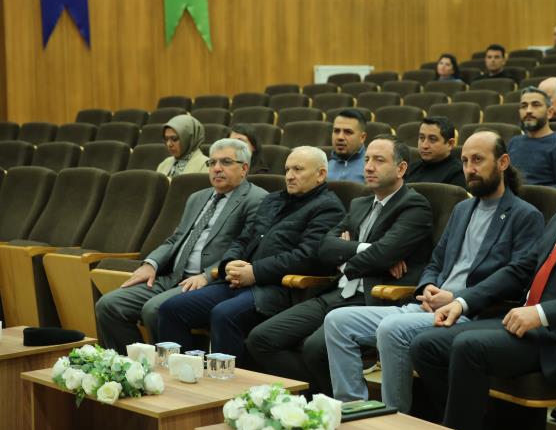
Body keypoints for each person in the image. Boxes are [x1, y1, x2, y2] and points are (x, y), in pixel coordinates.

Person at [409, 128, 556, 430]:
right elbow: (520, 269)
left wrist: (541, 313)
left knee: (469, 346)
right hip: (521, 323)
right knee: (425, 344)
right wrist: (462, 302)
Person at [323, 130, 544, 413]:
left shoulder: (525, 215)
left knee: (391, 329)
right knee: (338, 321)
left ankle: (394, 418)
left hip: (471, 313)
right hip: (429, 306)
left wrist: (458, 298)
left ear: (502, 162)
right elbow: (436, 261)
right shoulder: (463, 209)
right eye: (465, 161)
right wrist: (427, 286)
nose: (469, 169)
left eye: (478, 160)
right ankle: (354, 409)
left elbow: (515, 275)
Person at [245, 135, 435, 395]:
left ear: (401, 168)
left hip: (372, 299)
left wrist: (348, 258)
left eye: (379, 161)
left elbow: (383, 254)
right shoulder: (359, 203)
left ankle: (340, 406)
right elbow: (325, 247)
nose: (369, 167)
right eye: (367, 160)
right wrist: (365, 249)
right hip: (336, 293)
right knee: (261, 339)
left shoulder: (414, 205)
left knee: (315, 348)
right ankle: (317, 399)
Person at [156, 146, 345, 360]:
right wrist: (229, 263)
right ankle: (180, 372)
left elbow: (306, 257)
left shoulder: (328, 208)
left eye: (298, 169)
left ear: (321, 174)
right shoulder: (273, 200)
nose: (290, 176)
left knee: (224, 314)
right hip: (240, 282)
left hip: (279, 288)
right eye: (287, 169)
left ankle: (229, 379)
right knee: (171, 308)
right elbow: (244, 239)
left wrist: (255, 272)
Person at [95, 138, 267, 352]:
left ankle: (172, 367)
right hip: (173, 276)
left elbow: (245, 250)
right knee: (109, 305)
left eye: (225, 162)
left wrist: (208, 275)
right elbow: (176, 238)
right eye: (212, 163)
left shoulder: (256, 199)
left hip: (210, 282)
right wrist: (151, 263)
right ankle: (135, 364)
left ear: (244, 168)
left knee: (154, 309)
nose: (216, 168)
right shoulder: (198, 197)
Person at [508, 87, 556, 189]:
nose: (528, 111)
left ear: (550, 112)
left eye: (536, 105)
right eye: (524, 106)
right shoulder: (514, 142)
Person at [406, 117, 466, 188]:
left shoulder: (458, 173)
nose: (424, 145)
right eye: (421, 138)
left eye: (432, 139)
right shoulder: (411, 168)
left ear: (450, 144)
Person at [328, 109, 367, 182]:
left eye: (348, 132)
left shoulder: (371, 168)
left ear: (362, 137)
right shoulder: (325, 167)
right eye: (336, 131)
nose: (340, 137)